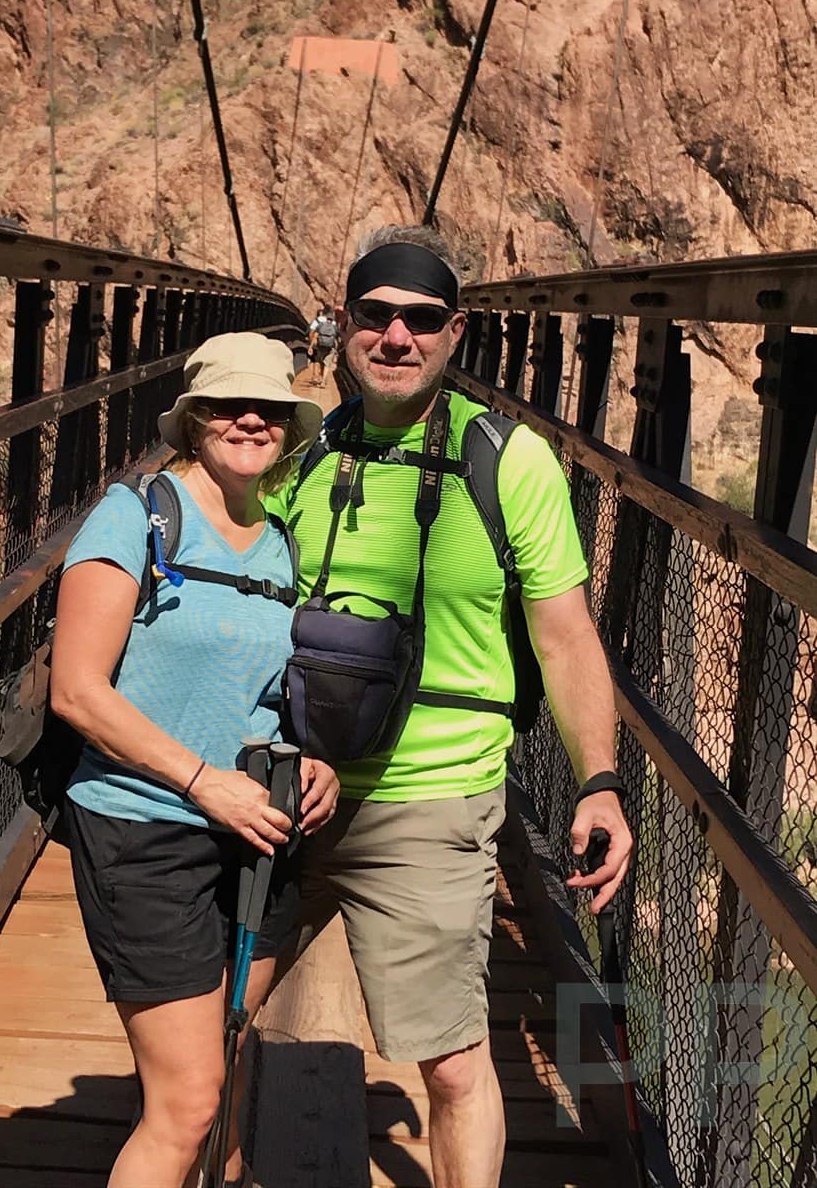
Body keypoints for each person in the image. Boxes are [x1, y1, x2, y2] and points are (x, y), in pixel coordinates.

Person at [268, 225, 633, 1188]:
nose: (397, 336)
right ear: (342, 327)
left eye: (421, 319)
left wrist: (599, 779)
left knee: (455, 1066)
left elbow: (565, 637)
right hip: (276, 787)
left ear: (456, 331)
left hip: (432, 802)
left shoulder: (511, 464)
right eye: (375, 315)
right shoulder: (292, 455)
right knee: (203, 1029)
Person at [50, 332, 339, 1188]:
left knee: (231, 1055)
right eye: (228, 406)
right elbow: (77, 691)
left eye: (271, 408)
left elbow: (277, 686)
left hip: (258, 830)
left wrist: (313, 755)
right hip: (148, 830)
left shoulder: (286, 542)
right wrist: (201, 781)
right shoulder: (136, 515)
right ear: (193, 418)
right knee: (187, 1101)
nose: (251, 419)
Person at [307, 302, 339, 386]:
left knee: (316, 360)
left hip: (318, 343)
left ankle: (315, 377)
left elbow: (312, 331)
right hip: (330, 345)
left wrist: (311, 343)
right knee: (326, 362)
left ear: (323, 312)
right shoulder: (334, 323)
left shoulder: (318, 320)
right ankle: (323, 380)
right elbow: (336, 334)